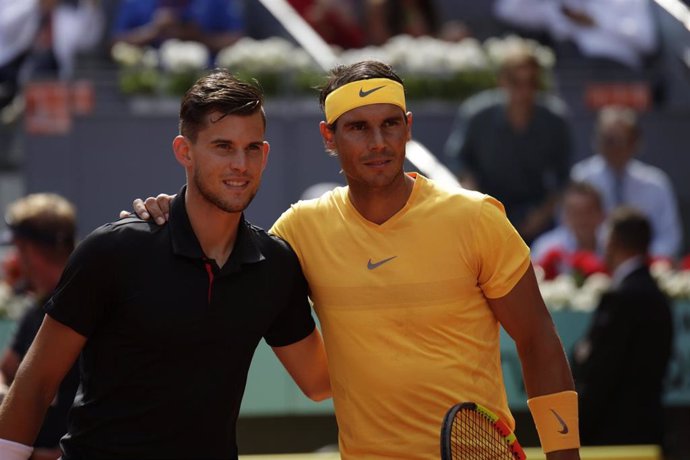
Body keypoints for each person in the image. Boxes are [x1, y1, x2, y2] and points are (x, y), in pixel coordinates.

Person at [131, 60, 581, 459]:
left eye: (390, 124)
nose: (378, 142)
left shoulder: (476, 216)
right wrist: (175, 214)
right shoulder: (300, 230)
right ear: (329, 135)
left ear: (408, 126)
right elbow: (314, 380)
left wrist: (565, 458)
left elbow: (538, 339)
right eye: (358, 128)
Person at [0, 69, 330, 460]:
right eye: (223, 146)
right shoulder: (113, 249)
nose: (240, 164)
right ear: (184, 151)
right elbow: (35, 383)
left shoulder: (275, 265)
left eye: (252, 147)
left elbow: (319, 382)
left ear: (265, 153)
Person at [443, 45, 572, 245]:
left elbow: (564, 177)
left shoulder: (555, 120)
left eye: (531, 82)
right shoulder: (477, 114)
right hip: (484, 212)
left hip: (536, 219)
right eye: (516, 82)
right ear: (502, 81)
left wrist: (542, 215)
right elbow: (457, 160)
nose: (524, 90)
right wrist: (475, 200)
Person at [572, 206, 673, 446]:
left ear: (613, 242)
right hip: (648, 431)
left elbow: (600, 370)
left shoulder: (622, 298)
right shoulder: (657, 296)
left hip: (613, 436)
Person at [0, 193, 79, 460]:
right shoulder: (33, 311)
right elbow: (6, 370)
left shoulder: (92, 305)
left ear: (28, 250)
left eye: (16, 247)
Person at [570, 105, 682, 259]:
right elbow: (569, 231)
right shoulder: (581, 177)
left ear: (635, 142)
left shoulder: (656, 183)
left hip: (644, 271)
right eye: (608, 140)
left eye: (620, 140)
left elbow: (669, 238)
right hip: (592, 269)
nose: (614, 147)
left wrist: (637, 263)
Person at [493, 0, 658, 69]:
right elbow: (508, 10)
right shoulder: (561, 4)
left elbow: (647, 41)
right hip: (570, 68)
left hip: (616, 69)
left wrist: (595, 22)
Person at [531, 180, 607, 280]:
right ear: (564, 216)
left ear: (602, 214)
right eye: (575, 213)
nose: (582, 219)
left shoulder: (613, 244)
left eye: (588, 212)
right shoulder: (545, 247)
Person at [111, 0, 244, 54]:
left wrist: (200, 37)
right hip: (144, 86)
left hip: (208, 82)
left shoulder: (214, 2)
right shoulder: (137, 3)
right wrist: (152, 31)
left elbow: (237, 39)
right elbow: (114, 43)